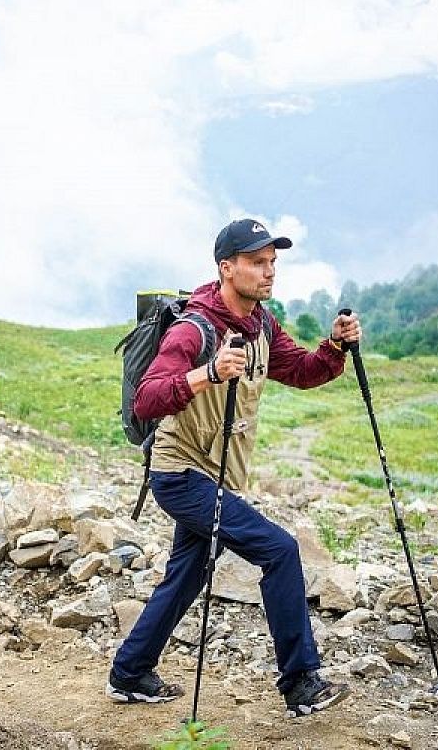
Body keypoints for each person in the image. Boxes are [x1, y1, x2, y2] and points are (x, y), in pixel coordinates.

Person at [107, 218, 362, 718]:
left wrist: (334, 345)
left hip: (215, 476)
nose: (269, 272)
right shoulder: (193, 328)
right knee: (280, 551)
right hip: (180, 475)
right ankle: (301, 684)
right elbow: (146, 399)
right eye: (257, 262)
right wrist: (207, 373)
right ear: (227, 268)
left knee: (187, 573)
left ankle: (130, 672)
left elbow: (304, 371)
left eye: (272, 262)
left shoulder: (261, 324)